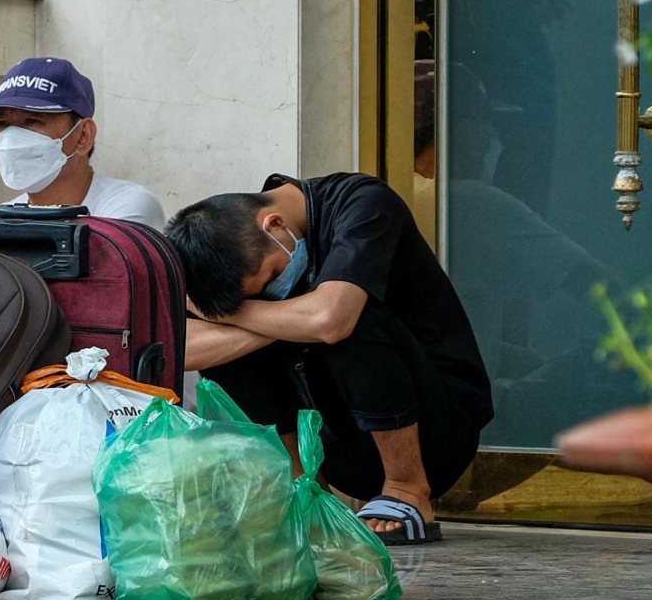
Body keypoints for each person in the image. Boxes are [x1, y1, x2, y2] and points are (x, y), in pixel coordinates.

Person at [166, 173, 495, 545]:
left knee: (350, 315)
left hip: (435, 430)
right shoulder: (224, 253)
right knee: (230, 348)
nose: (274, 287)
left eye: (271, 276)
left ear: (275, 225)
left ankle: (407, 490)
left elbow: (333, 319)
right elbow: (182, 349)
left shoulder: (363, 203)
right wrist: (276, 321)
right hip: (335, 443)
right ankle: (305, 490)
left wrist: (229, 316)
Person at [0, 57, 165, 229]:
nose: (11, 138)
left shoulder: (125, 209)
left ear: (83, 136)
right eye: (2, 123)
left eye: (31, 121)